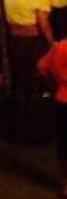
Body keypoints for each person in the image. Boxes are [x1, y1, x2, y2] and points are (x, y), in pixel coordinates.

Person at [4, 0, 55, 144]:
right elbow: (43, 23)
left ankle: (18, 128)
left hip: (14, 39)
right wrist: (51, 43)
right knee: (37, 83)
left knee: (20, 82)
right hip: (33, 41)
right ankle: (36, 130)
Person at [37, 39, 67, 197]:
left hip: (62, 99)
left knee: (64, 145)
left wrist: (56, 80)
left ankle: (65, 184)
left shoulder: (60, 46)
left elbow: (42, 66)